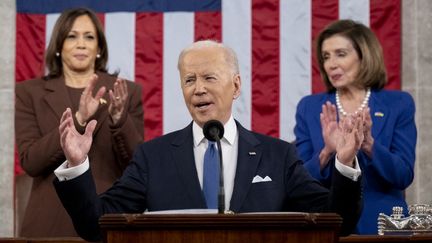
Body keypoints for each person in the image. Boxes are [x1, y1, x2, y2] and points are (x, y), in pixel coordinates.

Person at [54, 40, 362, 242]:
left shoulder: (278, 155)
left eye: (209, 78)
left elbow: (338, 220)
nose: (198, 89)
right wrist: (78, 164)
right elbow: (96, 225)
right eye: (189, 80)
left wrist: (345, 164)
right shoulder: (153, 157)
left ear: (236, 86)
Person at [15, 7, 144, 237]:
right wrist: (79, 119)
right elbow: (31, 162)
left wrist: (118, 119)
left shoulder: (126, 91)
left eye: (89, 37)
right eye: (72, 36)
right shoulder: (29, 92)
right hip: (50, 221)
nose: (81, 44)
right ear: (59, 45)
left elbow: (136, 165)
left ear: (99, 47)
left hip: (109, 219)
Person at [294, 19, 416, 234]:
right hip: (326, 226)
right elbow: (298, 179)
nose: (331, 64)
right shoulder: (310, 107)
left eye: (341, 54)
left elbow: (403, 175)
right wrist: (326, 152)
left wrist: (368, 144)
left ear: (364, 56)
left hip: (383, 226)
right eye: (326, 56)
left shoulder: (398, 104)